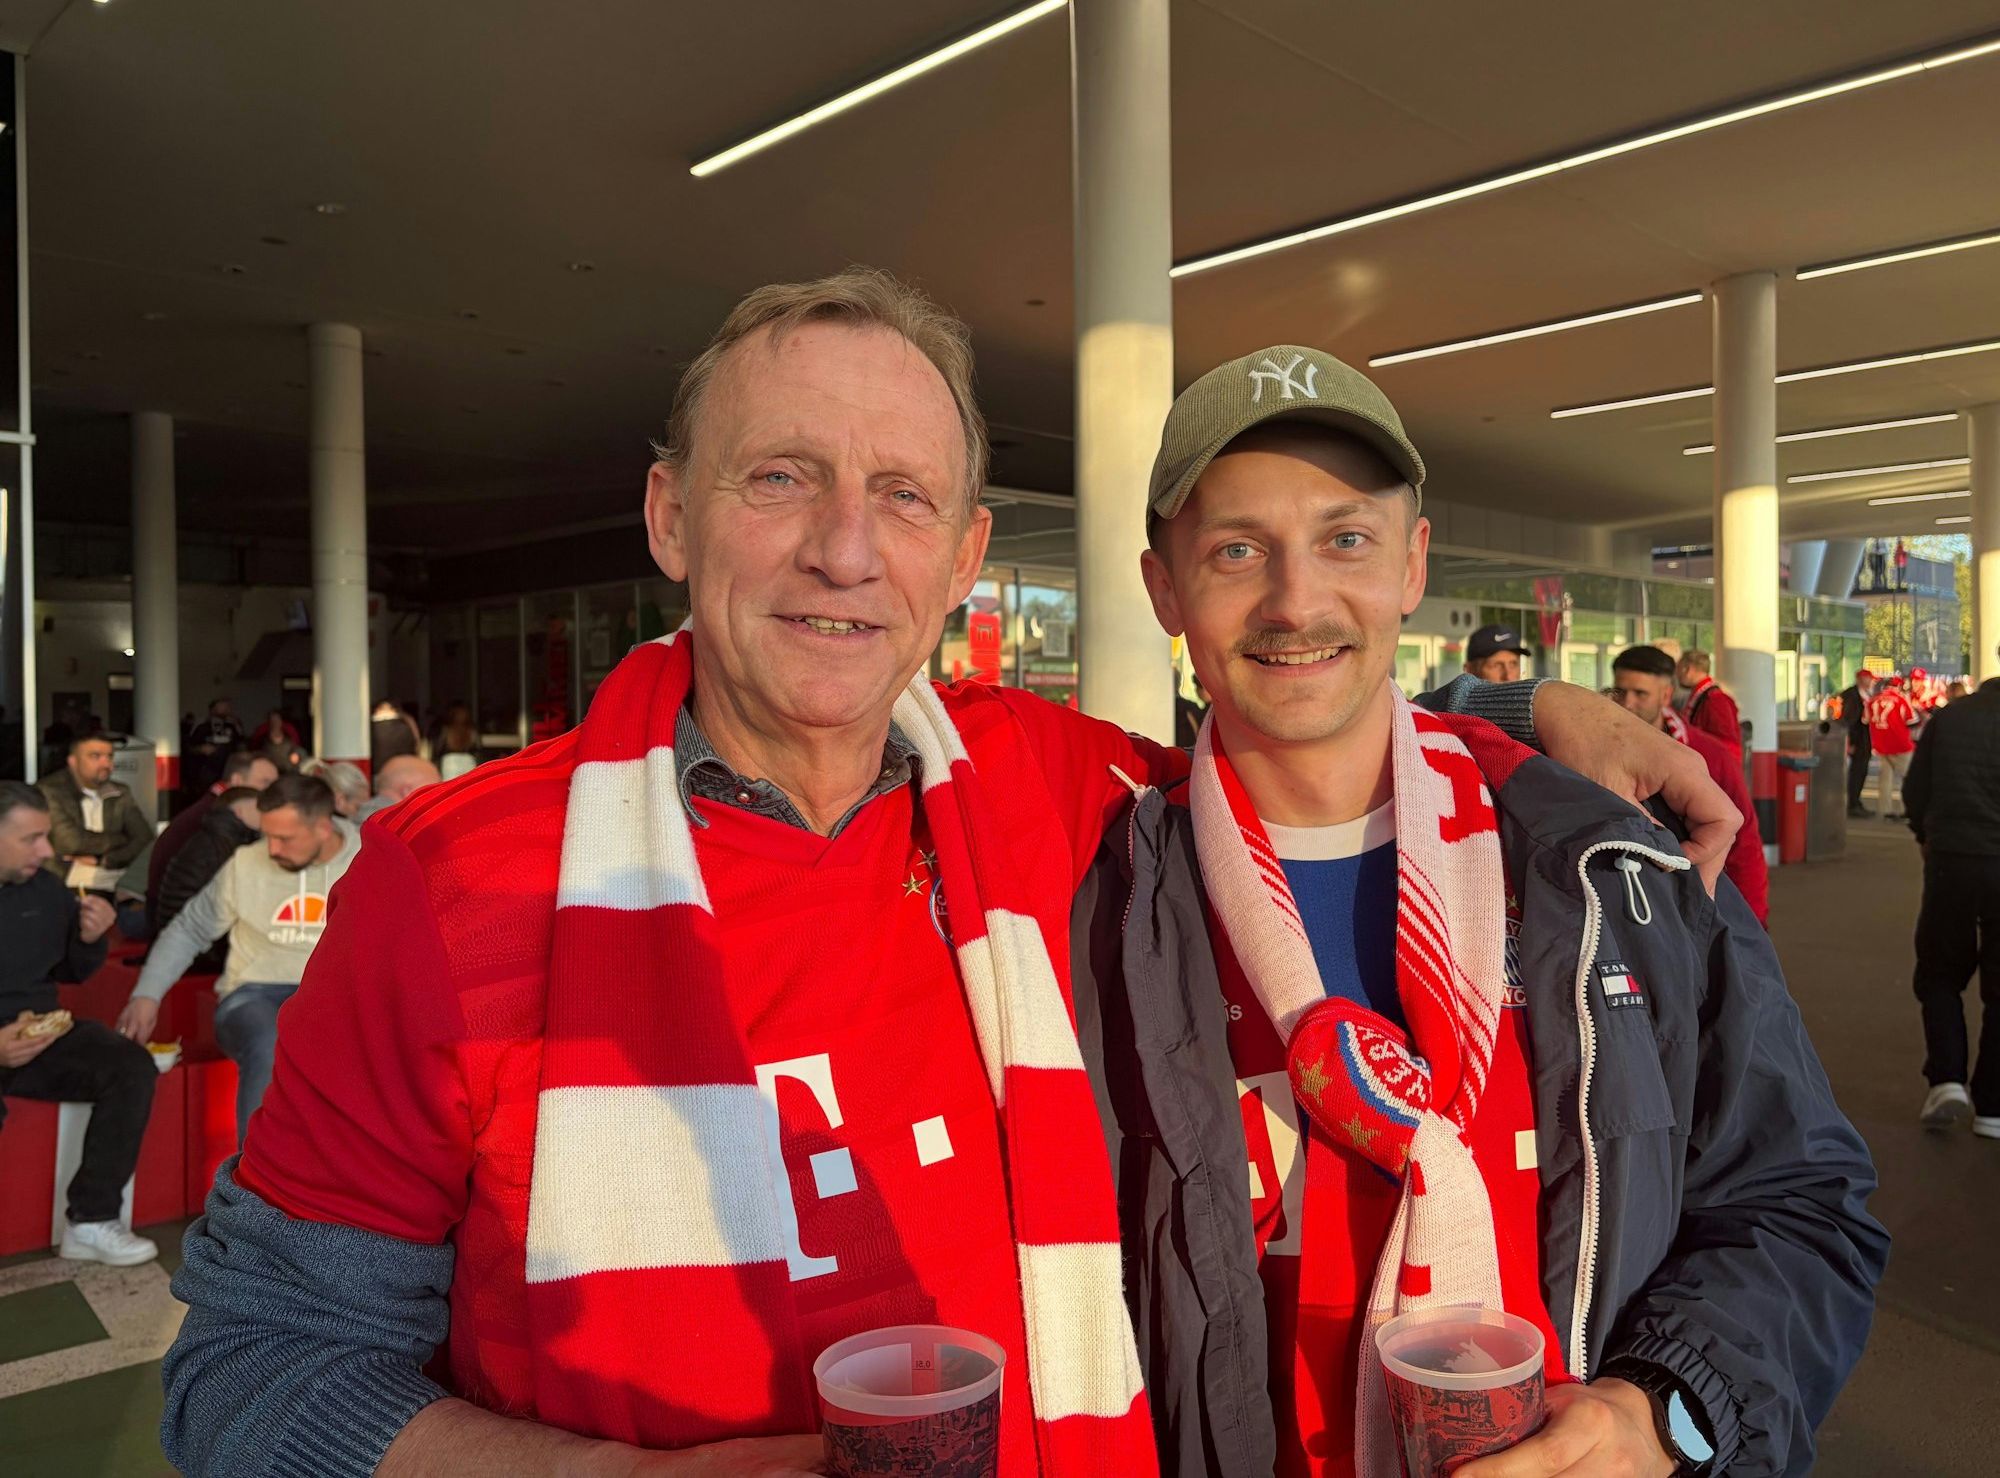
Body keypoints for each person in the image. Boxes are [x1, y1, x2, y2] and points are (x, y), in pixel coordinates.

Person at [159, 272, 1739, 1478]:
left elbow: (1300, 716)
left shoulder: (1062, 798)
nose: (846, 549)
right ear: (669, 514)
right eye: (780, 477)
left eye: (903, 496)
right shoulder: (455, 878)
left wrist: (1520, 707)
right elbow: (254, 1367)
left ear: (967, 553)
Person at [1081, 345, 1882, 1478]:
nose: (1295, 599)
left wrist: (1662, 1409)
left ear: (1411, 564)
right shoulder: (1088, 893)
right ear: (1163, 587)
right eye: (1233, 549)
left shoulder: (1606, 870)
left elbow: (1800, 1200)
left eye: (1344, 538)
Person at [120, 775, 358, 1141]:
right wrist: (147, 994)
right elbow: (190, 929)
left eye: (284, 839)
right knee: (268, 1041)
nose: (272, 849)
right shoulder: (247, 863)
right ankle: (254, 1189)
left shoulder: (366, 860)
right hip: (254, 993)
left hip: (336, 996)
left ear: (324, 828)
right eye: (267, 835)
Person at [0, 782, 156, 1266]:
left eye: (46, 836)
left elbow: (70, 970)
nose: (47, 850)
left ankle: (90, 1220)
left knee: (130, 1065)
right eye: (31, 839)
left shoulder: (45, 889)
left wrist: (90, 937)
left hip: (38, 1035)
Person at [1901, 673, 2000, 1135]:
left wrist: (1926, 835)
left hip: (1953, 859)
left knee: (1939, 971)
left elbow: (1916, 788)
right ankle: (1993, 1106)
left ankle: (1946, 1080)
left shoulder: (1952, 717)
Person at [1610, 645, 1769, 924]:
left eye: (1640, 693)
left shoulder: (1709, 754)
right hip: (1619, 907)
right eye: (1621, 691)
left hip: (1691, 907)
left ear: (1666, 695)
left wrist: (1753, 919)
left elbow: (1743, 840)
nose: (1627, 703)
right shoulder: (1592, 752)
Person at [146, 750, 279, 934]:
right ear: (238, 780)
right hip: (173, 921)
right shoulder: (214, 822)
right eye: (265, 783)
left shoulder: (211, 811)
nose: (274, 792)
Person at [153, 787, 263, 968]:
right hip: (198, 947)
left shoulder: (214, 838)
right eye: (260, 808)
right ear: (239, 811)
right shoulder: (227, 846)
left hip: (179, 936)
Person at [36, 729, 156, 884]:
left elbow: (144, 838)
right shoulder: (49, 790)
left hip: (111, 870)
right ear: (73, 762)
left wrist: (105, 860)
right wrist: (123, 839)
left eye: (110, 756)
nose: (106, 764)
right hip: (64, 874)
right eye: (95, 756)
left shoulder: (119, 792)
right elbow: (70, 842)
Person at [1865, 674, 1920, 819]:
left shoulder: (1872, 700)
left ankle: (1884, 810)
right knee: (1909, 778)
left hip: (1881, 744)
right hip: (1900, 745)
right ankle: (1909, 810)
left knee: (1885, 779)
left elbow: (1865, 720)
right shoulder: (1901, 700)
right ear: (1899, 686)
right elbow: (1912, 721)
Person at [1673, 648, 1741, 747]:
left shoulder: (1715, 700)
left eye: (1678, 668)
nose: (1677, 675)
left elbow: (1727, 744)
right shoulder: (1705, 696)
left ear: (1688, 669)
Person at [183, 698, 247, 797]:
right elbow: (189, 747)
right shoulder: (201, 726)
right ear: (213, 708)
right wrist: (200, 749)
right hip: (207, 772)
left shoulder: (232, 725)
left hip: (227, 770)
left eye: (227, 706)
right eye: (221, 705)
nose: (226, 708)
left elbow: (241, 744)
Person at [1836, 669, 1877, 816]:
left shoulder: (1867, 695)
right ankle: (1853, 804)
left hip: (1865, 741)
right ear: (1861, 679)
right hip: (1857, 741)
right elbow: (1848, 721)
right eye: (1869, 679)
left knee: (1862, 772)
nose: (1872, 682)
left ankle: (1857, 801)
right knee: (1856, 772)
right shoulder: (1851, 696)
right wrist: (1849, 742)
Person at [354, 753, 442, 820]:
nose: (438, 800)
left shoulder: (359, 818)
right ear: (407, 791)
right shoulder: (400, 828)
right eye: (432, 791)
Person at [251, 709, 307, 774]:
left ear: (281, 721)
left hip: (288, 773)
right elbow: (256, 754)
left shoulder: (289, 737)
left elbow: (298, 751)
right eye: (272, 720)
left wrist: (296, 756)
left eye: (277, 720)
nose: (274, 723)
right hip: (270, 773)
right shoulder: (263, 739)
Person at [371, 699, 422, 769]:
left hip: (375, 769)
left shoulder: (368, 729)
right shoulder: (405, 727)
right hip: (399, 769)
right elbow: (412, 749)